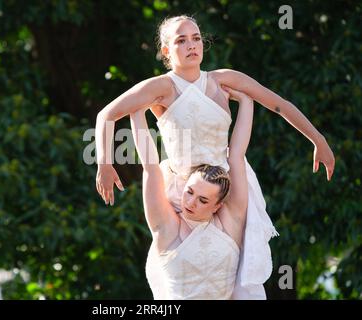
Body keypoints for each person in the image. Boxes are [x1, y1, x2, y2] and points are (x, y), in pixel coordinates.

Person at [95, 15, 335, 298]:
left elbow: (279, 105)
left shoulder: (223, 80)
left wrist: (318, 140)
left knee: (236, 274)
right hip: (185, 189)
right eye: (181, 40)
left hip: (227, 181)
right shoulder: (162, 87)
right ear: (166, 51)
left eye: (196, 38)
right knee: (188, 266)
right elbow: (106, 115)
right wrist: (104, 163)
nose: (191, 45)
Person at [129, 85, 253, 299]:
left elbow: (237, 156)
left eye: (203, 200)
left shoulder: (230, 224)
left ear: (217, 206)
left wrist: (246, 102)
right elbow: (150, 166)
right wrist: (137, 109)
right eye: (189, 192)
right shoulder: (168, 228)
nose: (191, 202)